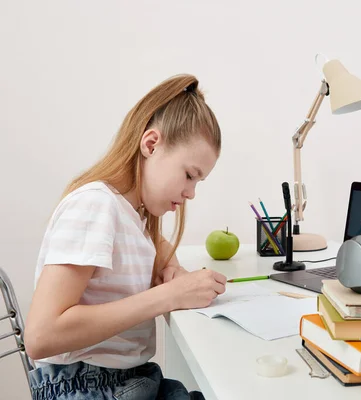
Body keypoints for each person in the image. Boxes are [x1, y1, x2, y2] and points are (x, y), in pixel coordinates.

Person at [24, 74, 226, 399]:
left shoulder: (132, 216)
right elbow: (41, 335)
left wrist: (172, 268)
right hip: (90, 387)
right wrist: (170, 295)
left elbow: (152, 246)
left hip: (127, 381)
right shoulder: (95, 205)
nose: (191, 193)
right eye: (189, 175)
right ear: (151, 144)